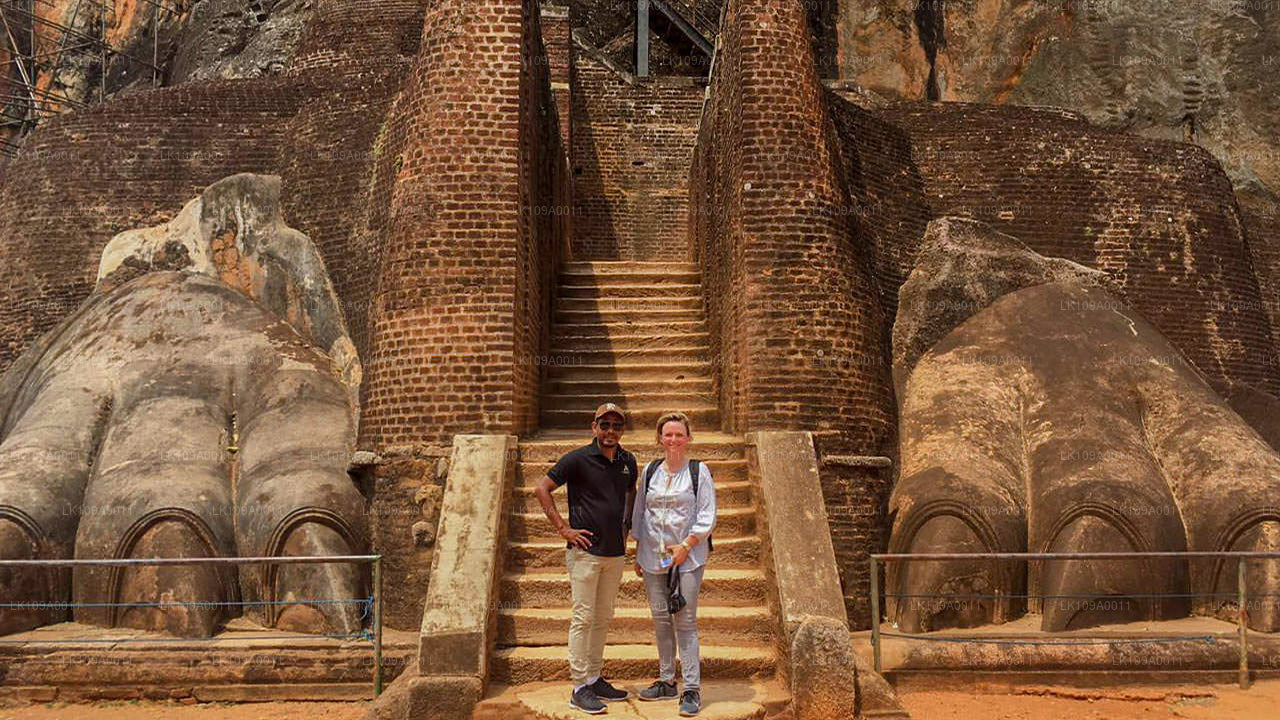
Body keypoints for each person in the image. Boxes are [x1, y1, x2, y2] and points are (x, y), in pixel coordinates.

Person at [533, 403, 638, 715]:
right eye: (604, 425)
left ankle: (594, 677)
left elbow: (631, 493)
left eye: (616, 426)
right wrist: (563, 528)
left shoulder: (628, 460)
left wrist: (627, 527)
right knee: (583, 618)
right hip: (585, 553)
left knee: (603, 617)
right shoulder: (577, 459)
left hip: (614, 553)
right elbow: (542, 488)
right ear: (594, 427)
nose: (610, 431)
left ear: (622, 430)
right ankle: (579, 687)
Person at [630, 411, 716, 717]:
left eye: (679, 434)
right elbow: (640, 511)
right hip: (654, 556)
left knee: (685, 621)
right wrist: (638, 550)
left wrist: (686, 545)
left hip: (687, 557)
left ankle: (691, 688)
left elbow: (707, 515)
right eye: (668, 434)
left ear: (688, 438)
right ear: (660, 438)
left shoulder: (698, 472)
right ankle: (667, 680)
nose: (674, 440)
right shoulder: (651, 470)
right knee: (660, 619)